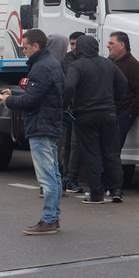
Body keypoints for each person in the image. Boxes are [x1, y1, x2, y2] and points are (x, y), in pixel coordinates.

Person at [0, 28, 66, 235]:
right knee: (54, 174)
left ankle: (49, 219)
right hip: (50, 124)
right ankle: (53, 217)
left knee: (47, 176)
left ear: (36, 46)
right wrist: (14, 93)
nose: (23, 50)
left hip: (40, 125)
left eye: (25, 47)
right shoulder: (51, 63)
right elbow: (40, 93)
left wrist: (9, 100)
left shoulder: (40, 67)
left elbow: (32, 100)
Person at [64, 34, 126, 204]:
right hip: (108, 114)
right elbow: (123, 83)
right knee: (111, 152)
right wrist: (115, 101)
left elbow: (69, 85)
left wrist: (65, 104)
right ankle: (116, 190)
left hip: (85, 115)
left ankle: (96, 194)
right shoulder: (108, 63)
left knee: (91, 153)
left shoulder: (77, 65)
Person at [107, 31, 139, 149]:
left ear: (122, 45)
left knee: (112, 149)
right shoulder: (109, 62)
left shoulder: (133, 65)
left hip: (121, 114)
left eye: (111, 43)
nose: (108, 46)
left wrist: (129, 113)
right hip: (108, 114)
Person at [60, 31, 84, 193]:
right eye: (71, 44)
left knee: (74, 144)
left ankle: (70, 177)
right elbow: (70, 83)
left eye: (76, 44)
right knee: (69, 144)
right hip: (70, 108)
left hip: (78, 107)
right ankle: (67, 177)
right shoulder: (68, 60)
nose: (73, 47)